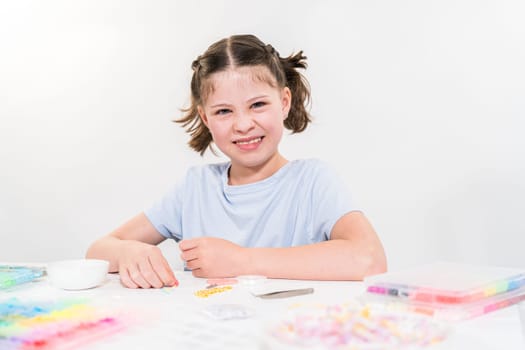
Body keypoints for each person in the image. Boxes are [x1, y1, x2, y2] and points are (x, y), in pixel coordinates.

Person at [86, 34, 387, 289]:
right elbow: (98, 251)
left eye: (257, 105)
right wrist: (127, 252)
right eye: (223, 111)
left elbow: (369, 259)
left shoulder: (312, 181)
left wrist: (241, 261)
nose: (243, 125)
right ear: (205, 117)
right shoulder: (195, 188)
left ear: (284, 102)